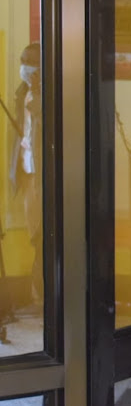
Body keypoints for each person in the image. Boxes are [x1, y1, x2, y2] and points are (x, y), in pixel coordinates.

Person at [8, 42, 43, 309]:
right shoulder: (21, 93)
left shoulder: (50, 94)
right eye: (23, 61)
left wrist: (38, 93)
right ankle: (36, 295)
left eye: (29, 62)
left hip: (46, 177)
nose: (24, 67)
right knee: (34, 237)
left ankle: (43, 295)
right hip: (28, 175)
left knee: (46, 236)